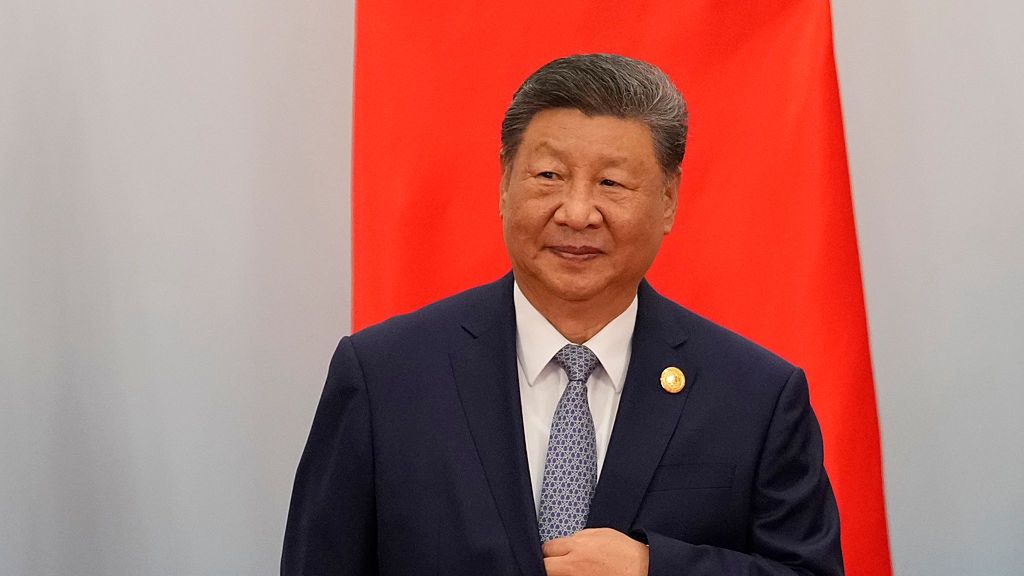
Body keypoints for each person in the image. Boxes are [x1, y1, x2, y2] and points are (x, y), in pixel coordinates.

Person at [282, 53, 843, 575]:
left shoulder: (756, 396)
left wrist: (658, 569)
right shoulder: (385, 376)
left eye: (611, 183)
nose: (577, 213)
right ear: (504, 184)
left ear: (668, 199)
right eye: (549, 176)